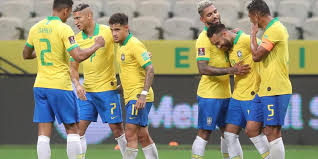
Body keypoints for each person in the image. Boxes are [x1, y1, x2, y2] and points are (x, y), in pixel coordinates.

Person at [22, 0, 105, 159]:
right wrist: (96, 45)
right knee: (72, 129)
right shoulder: (63, 28)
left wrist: (43, 52)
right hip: (59, 85)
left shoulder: (36, 27)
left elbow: (26, 54)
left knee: (43, 132)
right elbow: (78, 56)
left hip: (40, 85)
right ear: (66, 11)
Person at [192, 1, 250, 159]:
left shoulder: (222, 33)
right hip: (209, 95)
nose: (215, 15)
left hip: (226, 94)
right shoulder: (204, 39)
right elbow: (202, 68)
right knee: (205, 132)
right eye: (209, 14)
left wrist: (237, 34)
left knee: (229, 133)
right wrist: (233, 70)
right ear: (202, 20)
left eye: (215, 11)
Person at [208, 23, 272, 159]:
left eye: (218, 43)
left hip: (253, 95)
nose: (219, 47)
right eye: (216, 45)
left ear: (224, 34)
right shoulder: (229, 48)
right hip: (237, 97)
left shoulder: (245, 40)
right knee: (229, 135)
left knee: (254, 133)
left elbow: (265, 52)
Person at [70, 3, 126, 158]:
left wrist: (142, 53)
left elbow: (126, 43)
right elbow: (73, 67)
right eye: (74, 19)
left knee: (117, 130)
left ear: (89, 16)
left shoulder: (107, 32)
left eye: (78, 18)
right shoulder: (76, 39)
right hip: (87, 92)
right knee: (78, 130)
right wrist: (77, 84)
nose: (76, 22)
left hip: (107, 90)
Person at [109, 13, 159, 159]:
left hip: (138, 97)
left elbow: (150, 69)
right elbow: (130, 75)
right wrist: (116, 89)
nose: (114, 33)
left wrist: (142, 95)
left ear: (126, 28)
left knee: (130, 134)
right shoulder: (121, 47)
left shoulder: (135, 44)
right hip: (131, 95)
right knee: (143, 136)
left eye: (117, 30)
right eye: (112, 30)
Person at [247, 0, 292, 158]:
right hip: (264, 88)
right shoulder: (270, 31)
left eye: (250, 17)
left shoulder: (275, 29)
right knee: (251, 129)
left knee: (273, 131)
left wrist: (253, 35)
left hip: (276, 88)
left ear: (257, 15)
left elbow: (257, 56)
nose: (251, 21)